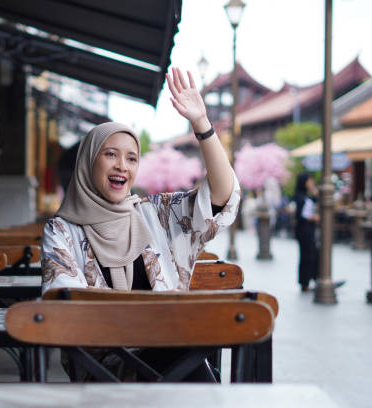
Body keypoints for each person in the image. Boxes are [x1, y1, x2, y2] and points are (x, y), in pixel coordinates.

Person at [41, 67, 240, 294]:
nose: (122, 166)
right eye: (110, 154)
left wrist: (202, 123)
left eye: (132, 158)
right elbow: (65, 302)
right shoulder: (61, 231)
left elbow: (222, 195)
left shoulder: (155, 215)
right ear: (88, 163)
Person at [293, 172, 319, 292]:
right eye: (309, 181)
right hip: (304, 230)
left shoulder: (306, 196)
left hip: (309, 229)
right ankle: (305, 282)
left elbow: (316, 201)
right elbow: (300, 215)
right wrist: (312, 218)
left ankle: (313, 278)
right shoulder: (300, 197)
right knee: (307, 255)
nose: (311, 183)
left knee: (313, 253)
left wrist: (314, 191)